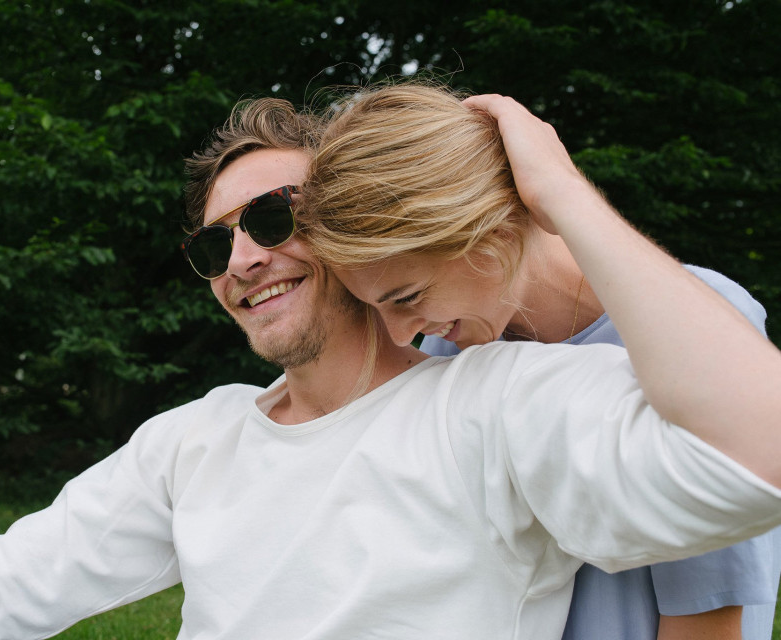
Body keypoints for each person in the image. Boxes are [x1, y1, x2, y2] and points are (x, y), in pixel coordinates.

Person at [0, 97, 781, 640]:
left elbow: (761, 460)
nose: (241, 259)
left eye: (275, 219)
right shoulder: (191, 441)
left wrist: (555, 190)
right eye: (211, 248)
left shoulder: (494, 399)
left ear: (363, 227)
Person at [301, 82, 781, 639]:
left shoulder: (700, 327)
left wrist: (559, 188)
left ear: (491, 229)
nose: (398, 335)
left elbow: (708, 618)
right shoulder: (445, 355)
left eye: (407, 298)